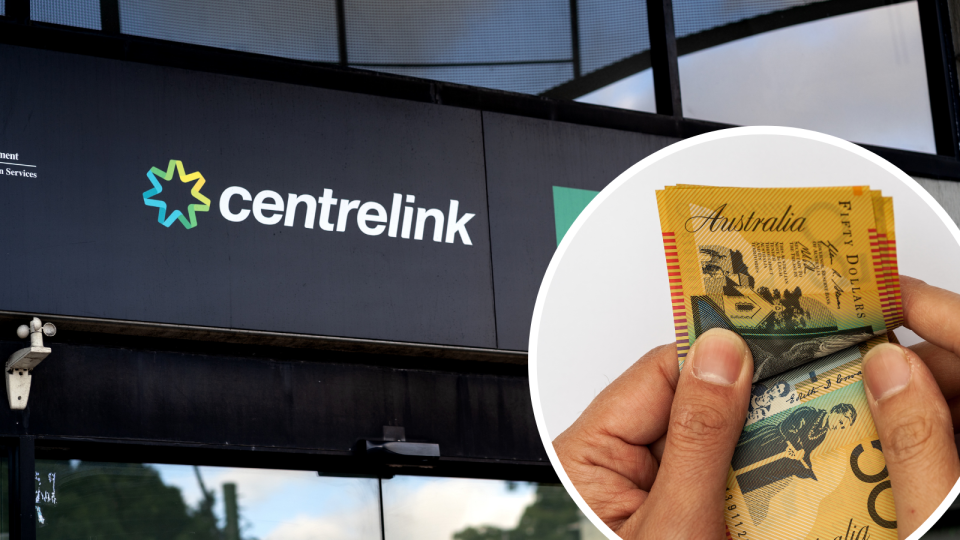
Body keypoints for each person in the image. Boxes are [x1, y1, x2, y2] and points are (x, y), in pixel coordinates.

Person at [553, 276, 960, 539]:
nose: (838, 420)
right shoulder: (813, 419)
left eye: (841, 418)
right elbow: (790, 425)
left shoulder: (825, 430)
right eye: (841, 415)